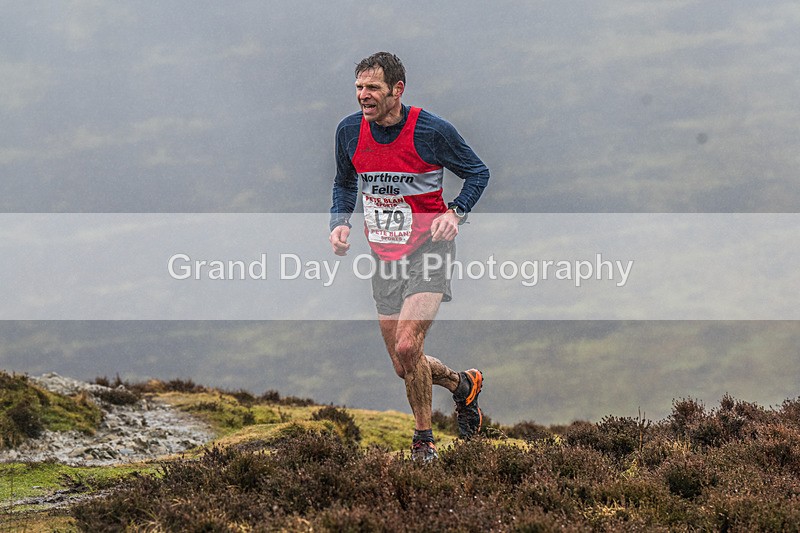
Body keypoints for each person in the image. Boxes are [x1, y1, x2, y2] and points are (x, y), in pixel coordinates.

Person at [328, 52, 490, 463]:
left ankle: (423, 441)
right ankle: (462, 385)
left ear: (397, 90)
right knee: (406, 365)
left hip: (429, 250)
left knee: (406, 346)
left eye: (373, 89)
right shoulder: (349, 131)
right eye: (359, 88)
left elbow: (478, 172)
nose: (364, 96)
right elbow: (345, 182)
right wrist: (339, 222)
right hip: (383, 255)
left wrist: (456, 213)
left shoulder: (431, 131)